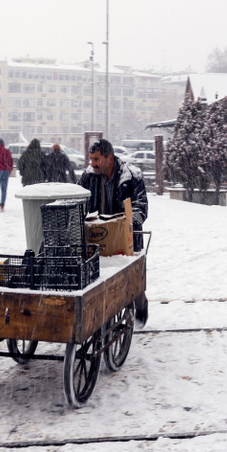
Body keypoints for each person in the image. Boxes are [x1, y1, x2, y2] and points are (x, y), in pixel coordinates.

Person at [79, 138, 149, 326]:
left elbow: (141, 207)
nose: (92, 163)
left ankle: (141, 309)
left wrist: (125, 225)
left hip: (126, 238)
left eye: (96, 159)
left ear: (109, 159)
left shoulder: (131, 176)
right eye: (91, 159)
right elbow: (78, 203)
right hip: (97, 237)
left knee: (133, 281)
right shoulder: (88, 177)